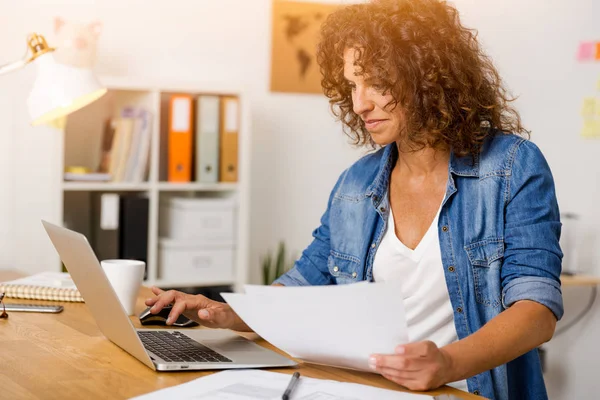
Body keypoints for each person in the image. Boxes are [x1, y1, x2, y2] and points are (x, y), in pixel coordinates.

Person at [146, 0, 563, 398]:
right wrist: (227, 314)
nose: (360, 103)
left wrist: (447, 364)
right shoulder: (357, 183)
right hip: (368, 390)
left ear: (428, 74)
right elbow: (306, 283)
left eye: (377, 83)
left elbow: (536, 311)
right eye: (352, 85)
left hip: (468, 389)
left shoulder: (511, 166)